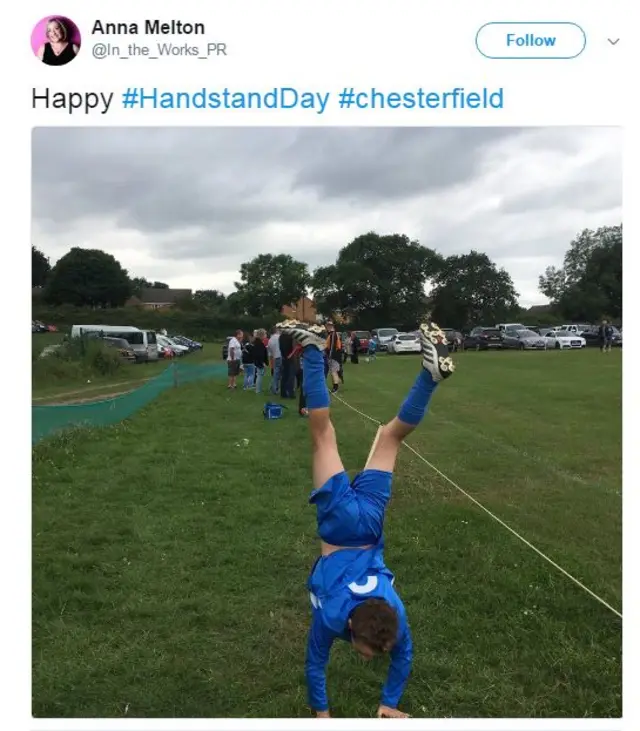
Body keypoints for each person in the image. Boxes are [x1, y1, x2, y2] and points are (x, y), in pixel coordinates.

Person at [278, 318, 455, 718]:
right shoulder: (332, 615)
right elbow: (315, 662)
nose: (369, 657)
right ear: (353, 630)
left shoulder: (396, 616)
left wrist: (390, 704)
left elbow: (403, 655)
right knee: (323, 434)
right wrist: (321, 715)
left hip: (372, 521)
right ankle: (310, 347)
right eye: (368, 651)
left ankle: (428, 379)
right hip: (341, 526)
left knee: (391, 437)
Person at [325, 321, 343, 394]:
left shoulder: (333, 335)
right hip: (333, 355)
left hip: (334, 356)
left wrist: (330, 355)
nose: (327, 327)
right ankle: (335, 386)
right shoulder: (331, 334)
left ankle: (335, 388)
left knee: (334, 371)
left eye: (328, 326)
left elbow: (332, 346)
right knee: (333, 371)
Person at [279, 326, 296, 398]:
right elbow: (293, 347)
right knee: (291, 376)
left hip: (284, 357)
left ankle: (283, 393)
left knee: (284, 376)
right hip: (290, 357)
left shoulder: (281, 337)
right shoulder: (290, 337)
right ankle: (290, 393)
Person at [252, 330, 269, 394]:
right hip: (260, 362)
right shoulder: (259, 343)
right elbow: (259, 354)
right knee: (259, 375)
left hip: (259, 361)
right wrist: (263, 363)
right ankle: (258, 390)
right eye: (265, 334)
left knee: (259, 375)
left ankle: (258, 389)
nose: (266, 336)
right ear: (262, 335)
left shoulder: (258, 342)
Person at [268, 327, 282, 395]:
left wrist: (271, 363)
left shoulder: (270, 340)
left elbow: (270, 352)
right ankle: (279, 388)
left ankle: (273, 387)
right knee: (283, 374)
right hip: (281, 356)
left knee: (276, 374)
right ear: (276, 331)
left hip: (276, 357)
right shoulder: (279, 337)